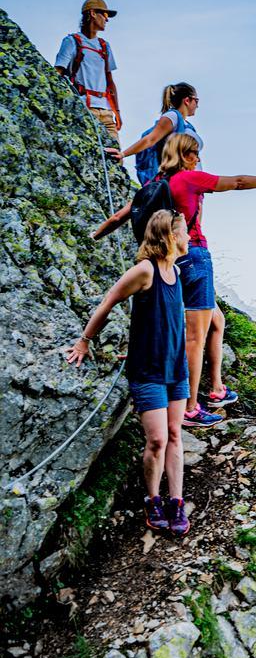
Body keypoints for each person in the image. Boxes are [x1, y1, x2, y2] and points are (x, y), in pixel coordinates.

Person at [65, 209, 193, 536]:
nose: (189, 236)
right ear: (169, 236)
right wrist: (84, 342)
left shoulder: (176, 272)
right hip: (148, 371)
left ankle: (176, 502)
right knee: (157, 440)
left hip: (175, 370)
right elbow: (109, 302)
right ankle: (153, 500)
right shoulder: (144, 271)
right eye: (184, 231)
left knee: (175, 435)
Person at [156, 133, 256, 426]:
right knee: (195, 337)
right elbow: (238, 182)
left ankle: (216, 389)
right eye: (196, 154)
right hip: (194, 255)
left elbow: (129, 213)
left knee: (216, 320)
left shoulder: (158, 183)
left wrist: (98, 233)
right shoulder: (189, 178)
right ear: (187, 156)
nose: (199, 159)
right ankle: (189, 408)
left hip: (171, 257)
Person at [55, 0, 121, 145]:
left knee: (116, 158)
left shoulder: (104, 46)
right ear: (92, 13)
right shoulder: (72, 41)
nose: (107, 20)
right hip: (85, 107)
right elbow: (57, 72)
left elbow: (110, 81)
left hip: (106, 112)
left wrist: (117, 112)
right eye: (104, 15)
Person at [120, 83, 202, 185]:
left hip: (189, 181)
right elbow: (150, 139)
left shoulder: (188, 125)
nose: (197, 105)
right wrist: (122, 154)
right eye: (196, 101)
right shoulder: (173, 116)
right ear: (187, 100)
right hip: (174, 180)